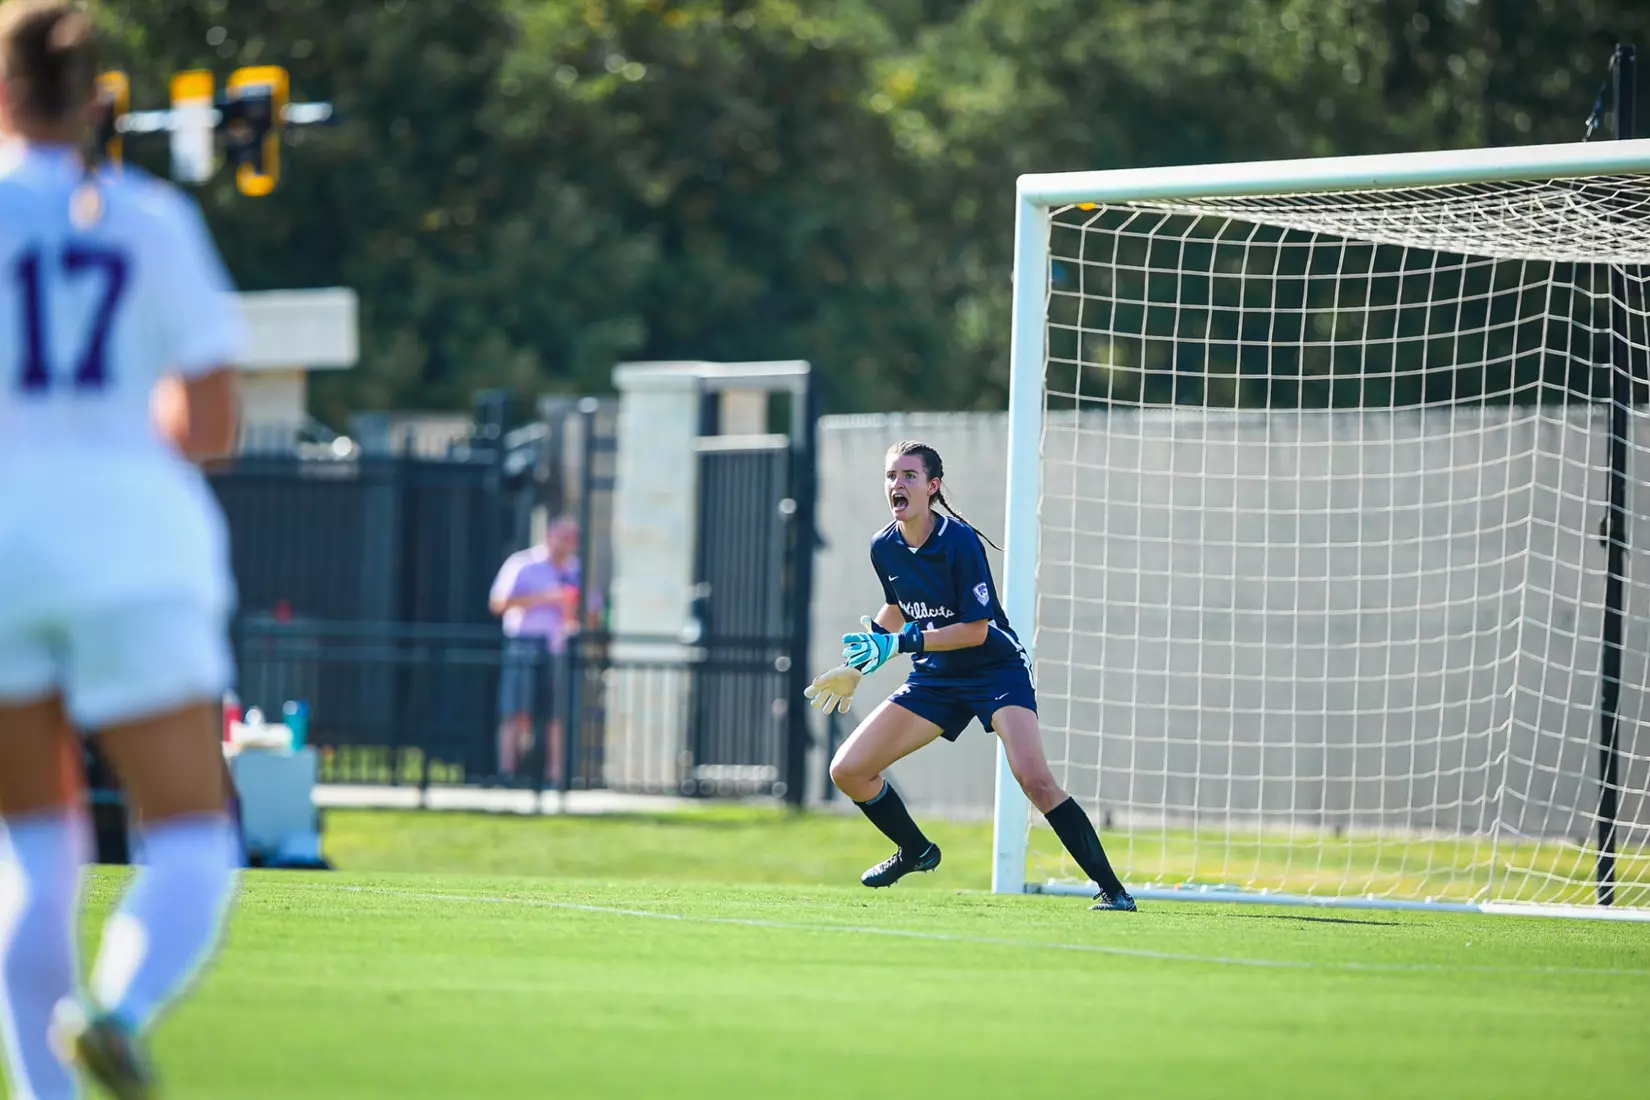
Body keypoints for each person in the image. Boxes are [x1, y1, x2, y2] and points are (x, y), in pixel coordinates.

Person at [0, 3, 247, 1096]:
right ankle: (118, 1004)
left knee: (31, 845)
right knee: (192, 836)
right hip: (137, 546)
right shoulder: (149, 217)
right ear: (101, 99)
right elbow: (212, 426)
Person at [809, 441, 1137, 911]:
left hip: (993, 670)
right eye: (890, 476)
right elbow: (898, 608)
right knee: (848, 770)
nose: (897, 484)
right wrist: (858, 666)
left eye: (908, 475)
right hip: (935, 679)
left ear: (932, 486)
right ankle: (917, 852)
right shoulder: (884, 546)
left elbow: (976, 630)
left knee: (1034, 778)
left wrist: (899, 645)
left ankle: (1114, 891)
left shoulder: (959, 540)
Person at [489, 515, 582, 782]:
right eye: (564, 537)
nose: (568, 544)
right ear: (550, 535)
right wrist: (544, 597)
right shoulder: (523, 564)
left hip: (558, 649)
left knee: (557, 714)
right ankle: (509, 773)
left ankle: (556, 777)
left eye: (573, 539)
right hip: (524, 645)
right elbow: (498, 603)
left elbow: (592, 610)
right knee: (516, 711)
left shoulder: (576, 570)